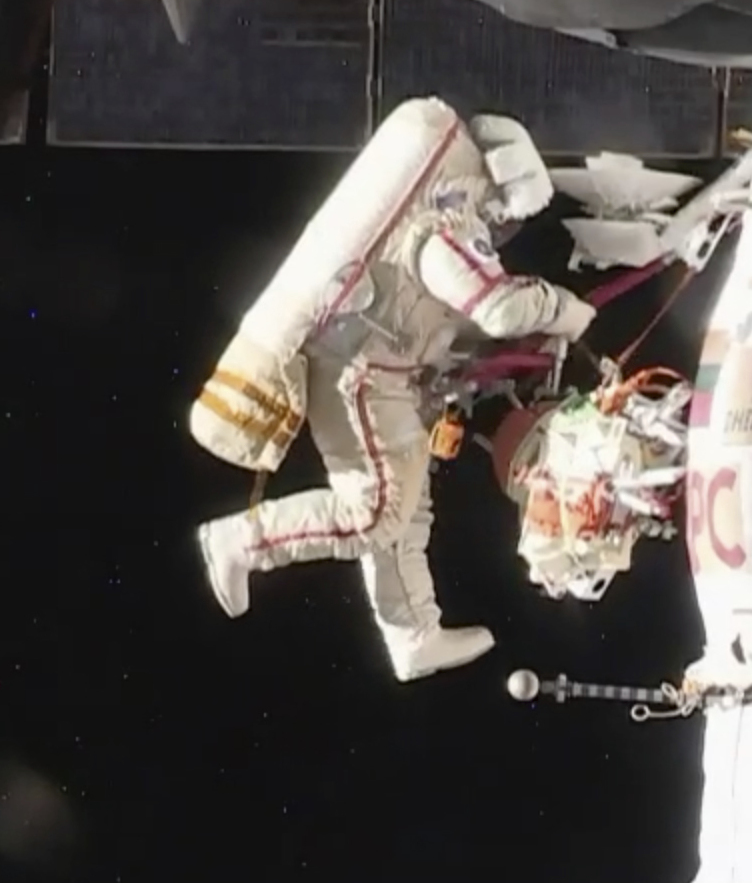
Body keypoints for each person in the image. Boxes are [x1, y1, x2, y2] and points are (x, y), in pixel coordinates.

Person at [190, 97, 596, 682]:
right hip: (362, 379)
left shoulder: (439, 227)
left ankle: (413, 635)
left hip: (381, 378)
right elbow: (499, 306)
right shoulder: (440, 232)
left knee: (407, 507)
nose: (504, 228)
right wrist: (565, 310)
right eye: (507, 213)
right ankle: (241, 542)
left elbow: (442, 322)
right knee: (375, 511)